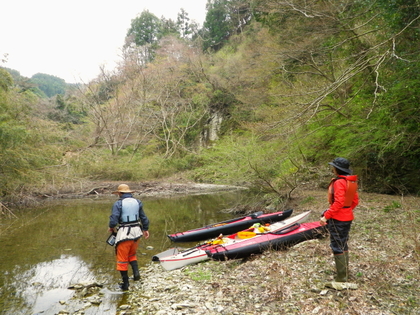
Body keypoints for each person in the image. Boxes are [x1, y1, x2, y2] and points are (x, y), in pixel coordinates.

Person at [320, 157, 358, 283]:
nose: (332, 169)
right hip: (347, 217)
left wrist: (327, 216)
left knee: (337, 246)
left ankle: (342, 278)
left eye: (333, 167)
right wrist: (347, 210)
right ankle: (344, 273)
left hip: (338, 219)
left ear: (337, 169)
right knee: (343, 244)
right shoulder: (351, 181)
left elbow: (339, 202)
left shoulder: (339, 182)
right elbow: (355, 201)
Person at [109, 184, 150, 291]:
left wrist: (111, 227)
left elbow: (114, 218)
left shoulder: (118, 203)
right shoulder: (138, 202)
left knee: (122, 259)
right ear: (129, 193)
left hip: (124, 234)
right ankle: (136, 275)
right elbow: (143, 217)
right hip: (137, 232)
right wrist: (145, 229)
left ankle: (125, 284)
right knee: (132, 254)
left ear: (119, 193)